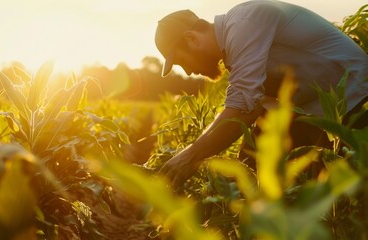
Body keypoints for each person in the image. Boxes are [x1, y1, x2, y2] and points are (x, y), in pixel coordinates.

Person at [154, 0, 368, 188]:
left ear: (192, 39)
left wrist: (190, 154)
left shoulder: (244, 23)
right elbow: (256, 108)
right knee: (255, 170)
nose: (189, 72)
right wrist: (204, 162)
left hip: (355, 96)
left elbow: (243, 107)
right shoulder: (236, 48)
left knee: (352, 192)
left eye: (182, 62)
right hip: (319, 109)